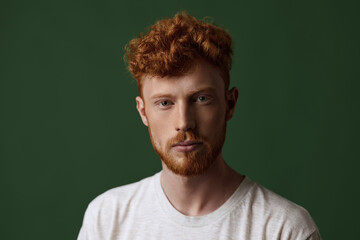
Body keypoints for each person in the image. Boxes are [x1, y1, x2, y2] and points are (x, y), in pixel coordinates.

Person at [77, 12, 321, 240]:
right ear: (143, 112)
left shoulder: (284, 228)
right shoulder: (106, 220)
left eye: (201, 99)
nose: (184, 123)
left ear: (230, 104)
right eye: (164, 103)